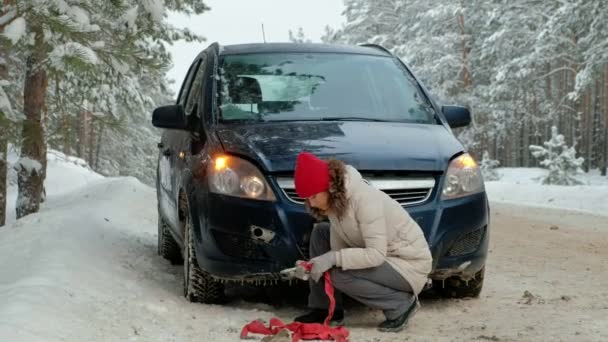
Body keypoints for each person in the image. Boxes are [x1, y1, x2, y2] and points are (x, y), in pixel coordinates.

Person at [292, 152, 433, 333]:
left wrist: (332, 258)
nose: (310, 204)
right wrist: (313, 266)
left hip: (407, 264)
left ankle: (401, 305)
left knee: (338, 275)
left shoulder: (365, 200)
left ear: (327, 187)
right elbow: (338, 250)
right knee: (320, 233)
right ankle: (325, 309)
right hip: (382, 257)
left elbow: (375, 254)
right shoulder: (335, 203)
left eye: (313, 196)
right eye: (307, 199)